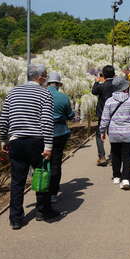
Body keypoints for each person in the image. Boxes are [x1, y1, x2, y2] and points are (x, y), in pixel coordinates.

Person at [0, 64, 58, 230]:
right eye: (45, 75)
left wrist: (4, 139)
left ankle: (16, 219)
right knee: (42, 174)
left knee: (17, 181)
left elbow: (4, 119)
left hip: (16, 141)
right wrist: (48, 145)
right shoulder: (44, 93)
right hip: (36, 141)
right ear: (39, 77)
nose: (46, 78)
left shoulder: (12, 93)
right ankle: (43, 211)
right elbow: (46, 121)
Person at [99, 75, 130, 190]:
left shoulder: (109, 101)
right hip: (128, 132)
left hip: (113, 132)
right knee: (127, 156)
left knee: (115, 154)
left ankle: (116, 176)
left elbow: (105, 118)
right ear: (125, 88)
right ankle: (125, 179)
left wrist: (102, 131)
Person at [47, 72, 75, 204]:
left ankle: (42, 189)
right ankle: (53, 192)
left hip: (41, 134)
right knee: (56, 163)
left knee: (42, 162)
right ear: (58, 84)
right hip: (59, 132)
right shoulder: (63, 97)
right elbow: (70, 115)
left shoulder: (40, 95)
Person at [91, 65, 116, 166]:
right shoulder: (116, 85)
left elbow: (93, 91)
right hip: (114, 114)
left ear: (104, 75)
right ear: (114, 74)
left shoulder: (101, 86)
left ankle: (102, 157)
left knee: (99, 135)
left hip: (102, 114)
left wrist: (97, 81)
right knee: (113, 135)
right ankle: (114, 156)